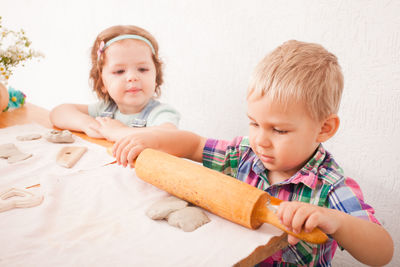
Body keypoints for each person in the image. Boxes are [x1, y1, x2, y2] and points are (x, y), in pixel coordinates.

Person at [111, 40, 393, 266]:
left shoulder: (329, 187)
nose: (261, 140)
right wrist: (153, 138)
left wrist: (336, 221)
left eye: (279, 131)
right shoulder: (243, 154)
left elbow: (382, 252)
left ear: (324, 128)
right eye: (254, 123)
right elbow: (195, 145)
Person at [50, 25, 180, 141]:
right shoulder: (104, 109)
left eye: (142, 69)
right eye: (119, 71)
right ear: (102, 83)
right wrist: (88, 125)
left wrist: (119, 132)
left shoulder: (160, 113)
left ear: (156, 77)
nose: (132, 77)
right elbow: (58, 112)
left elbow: (169, 136)